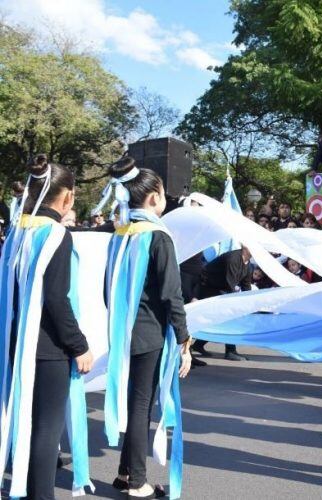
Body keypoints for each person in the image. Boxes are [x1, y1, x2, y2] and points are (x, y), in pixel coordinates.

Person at [0, 155, 94, 499]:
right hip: (47, 347)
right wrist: (79, 344)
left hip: (16, 340)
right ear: (67, 196)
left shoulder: (17, 231)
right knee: (45, 430)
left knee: (22, 424)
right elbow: (57, 299)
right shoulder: (56, 234)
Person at [102, 156, 192, 499]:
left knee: (134, 402)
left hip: (124, 329)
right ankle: (138, 481)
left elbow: (106, 286)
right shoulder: (157, 236)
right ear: (154, 196)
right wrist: (184, 337)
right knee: (140, 406)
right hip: (149, 332)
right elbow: (172, 294)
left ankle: (126, 473)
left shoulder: (120, 233)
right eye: (163, 192)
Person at [192, 247, 253, 362]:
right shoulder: (233, 258)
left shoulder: (248, 265)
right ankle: (230, 351)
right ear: (245, 246)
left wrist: (249, 304)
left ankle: (198, 345)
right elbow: (230, 284)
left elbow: (246, 286)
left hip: (220, 289)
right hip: (206, 286)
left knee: (216, 320)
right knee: (226, 317)